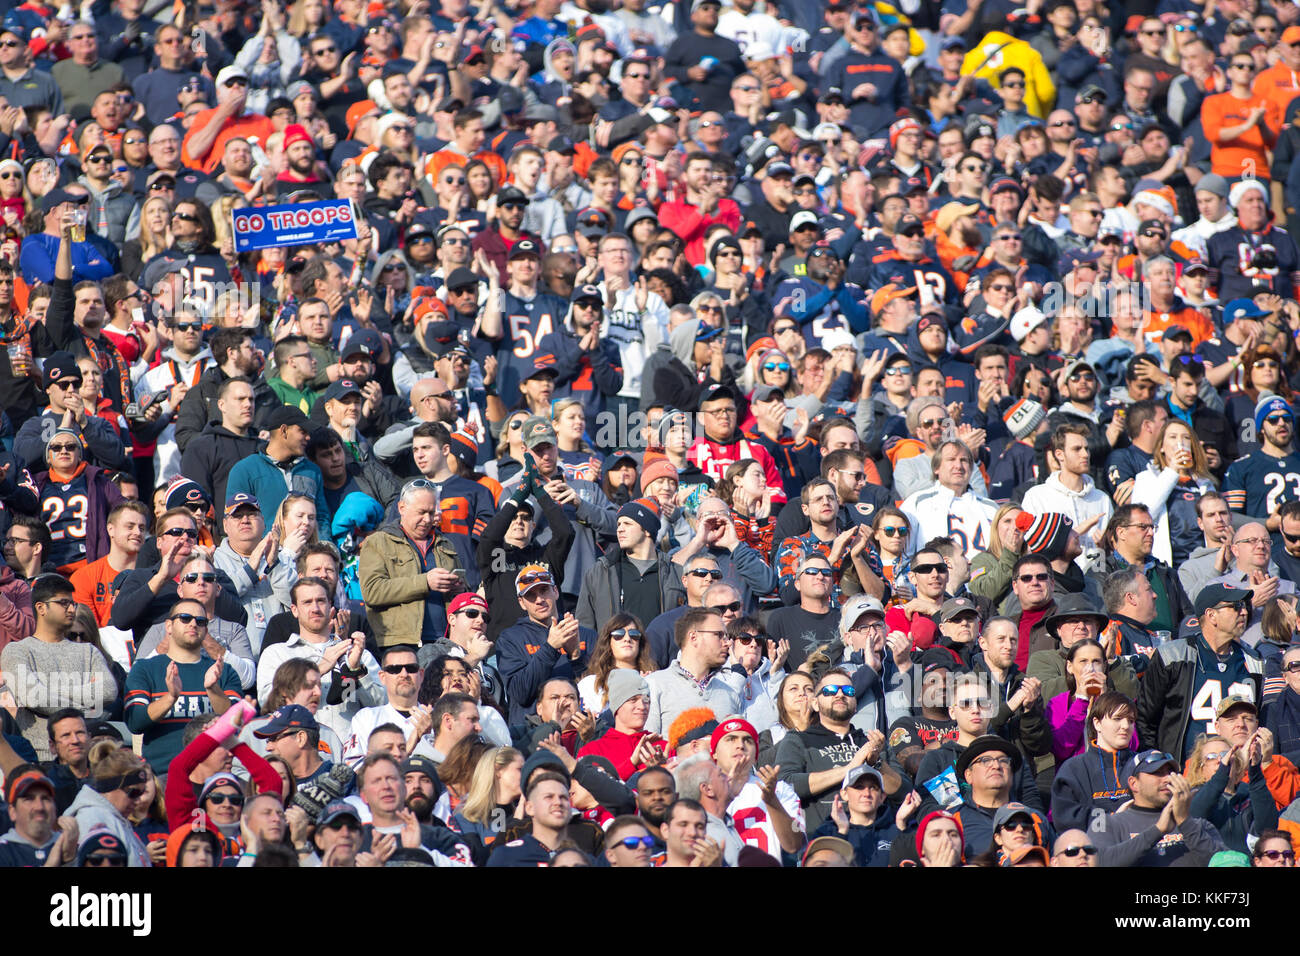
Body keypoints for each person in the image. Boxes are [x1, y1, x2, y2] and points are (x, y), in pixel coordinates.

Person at [1137, 583, 1265, 761]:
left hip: (1238, 773)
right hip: (1185, 773)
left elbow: (1260, 718)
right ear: (1212, 615)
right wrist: (1160, 763)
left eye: (1244, 606)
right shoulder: (1172, 656)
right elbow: (1145, 719)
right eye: (1235, 606)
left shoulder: (1254, 661)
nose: (1243, 612)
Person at [0, 576, 117, 761]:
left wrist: (48, 689)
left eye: (72, 603)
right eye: (63, 603)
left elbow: (108, 691)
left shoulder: (88, 650)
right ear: (41, 608)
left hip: (84, 758)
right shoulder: (17, 650)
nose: (71, 609)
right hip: (37, 755)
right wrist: (81, 708)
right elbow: (33, 697)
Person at [123, 597, 241, 768]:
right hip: (163, 771)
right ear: (169, 626)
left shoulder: (223, 671)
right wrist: (170, 698)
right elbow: (135, 722)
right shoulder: (144, 668)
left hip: (213, 774)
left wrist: (213, 689)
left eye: (200, 621)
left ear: (206, 629)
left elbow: (236, 723)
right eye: (185, 618)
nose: (193, 624)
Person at [774, 667, 890, 832]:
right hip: (822, 844)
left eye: (848, 691)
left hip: (872, 844)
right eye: (829, 690)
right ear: (815, 703)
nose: (840, 694)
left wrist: (876, 763)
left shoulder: (871, 742)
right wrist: (849, 770)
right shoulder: (798, 739)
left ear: (856, 703)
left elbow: (903, 793)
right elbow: (784, 785)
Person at [358, 479, 466, 650]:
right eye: (421, 512)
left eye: (431, 513)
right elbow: (372, 591)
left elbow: (463, 595)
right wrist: (426, 582)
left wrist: (460, 591)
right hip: (400, 645)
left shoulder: (445, 544)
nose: (427, 519)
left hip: (447, 643)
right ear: (402, 508)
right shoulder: (377, 542)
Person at [1090, 749, 1227, 867]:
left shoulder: (1197, 824)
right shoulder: (1109, 824)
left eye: (1170, 772)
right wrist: (1157, 831)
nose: (1167, 779)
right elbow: (1098, 862)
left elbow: (1225, 862)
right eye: (1157, 772)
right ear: (1134, 783)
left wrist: (1185, 822)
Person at [495, 565, 594, 724]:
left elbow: (597, 692)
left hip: (579, 729)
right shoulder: (509, 639)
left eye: (544, 591)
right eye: (531, 596)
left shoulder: (585, 634)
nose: (539, 600)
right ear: (521, 602)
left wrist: (576, 657)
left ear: (555, 591)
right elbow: (520, 693)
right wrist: (550, 647)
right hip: (533, 733)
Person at [645, 608, 744, 736]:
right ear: (693, 637)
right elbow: (648, 747)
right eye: (719, 635)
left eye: (726, 636)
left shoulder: (730, 694)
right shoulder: (654, 685)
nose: (727, 643)